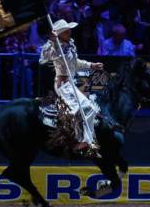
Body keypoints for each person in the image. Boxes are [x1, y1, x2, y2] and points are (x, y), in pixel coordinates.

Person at [39, 19, 105, 155]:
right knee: (77, 109)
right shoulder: (55, 47)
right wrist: (52, 42)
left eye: (69, 30)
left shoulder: (70, 44)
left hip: (71, 83)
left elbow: (75, 62)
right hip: (62, 84)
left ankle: (87, 140)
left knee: (91, 108)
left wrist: (91, 65)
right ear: (60, 33)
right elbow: (43, 59)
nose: (69, 32)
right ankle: (74, 139)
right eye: (66, 31)